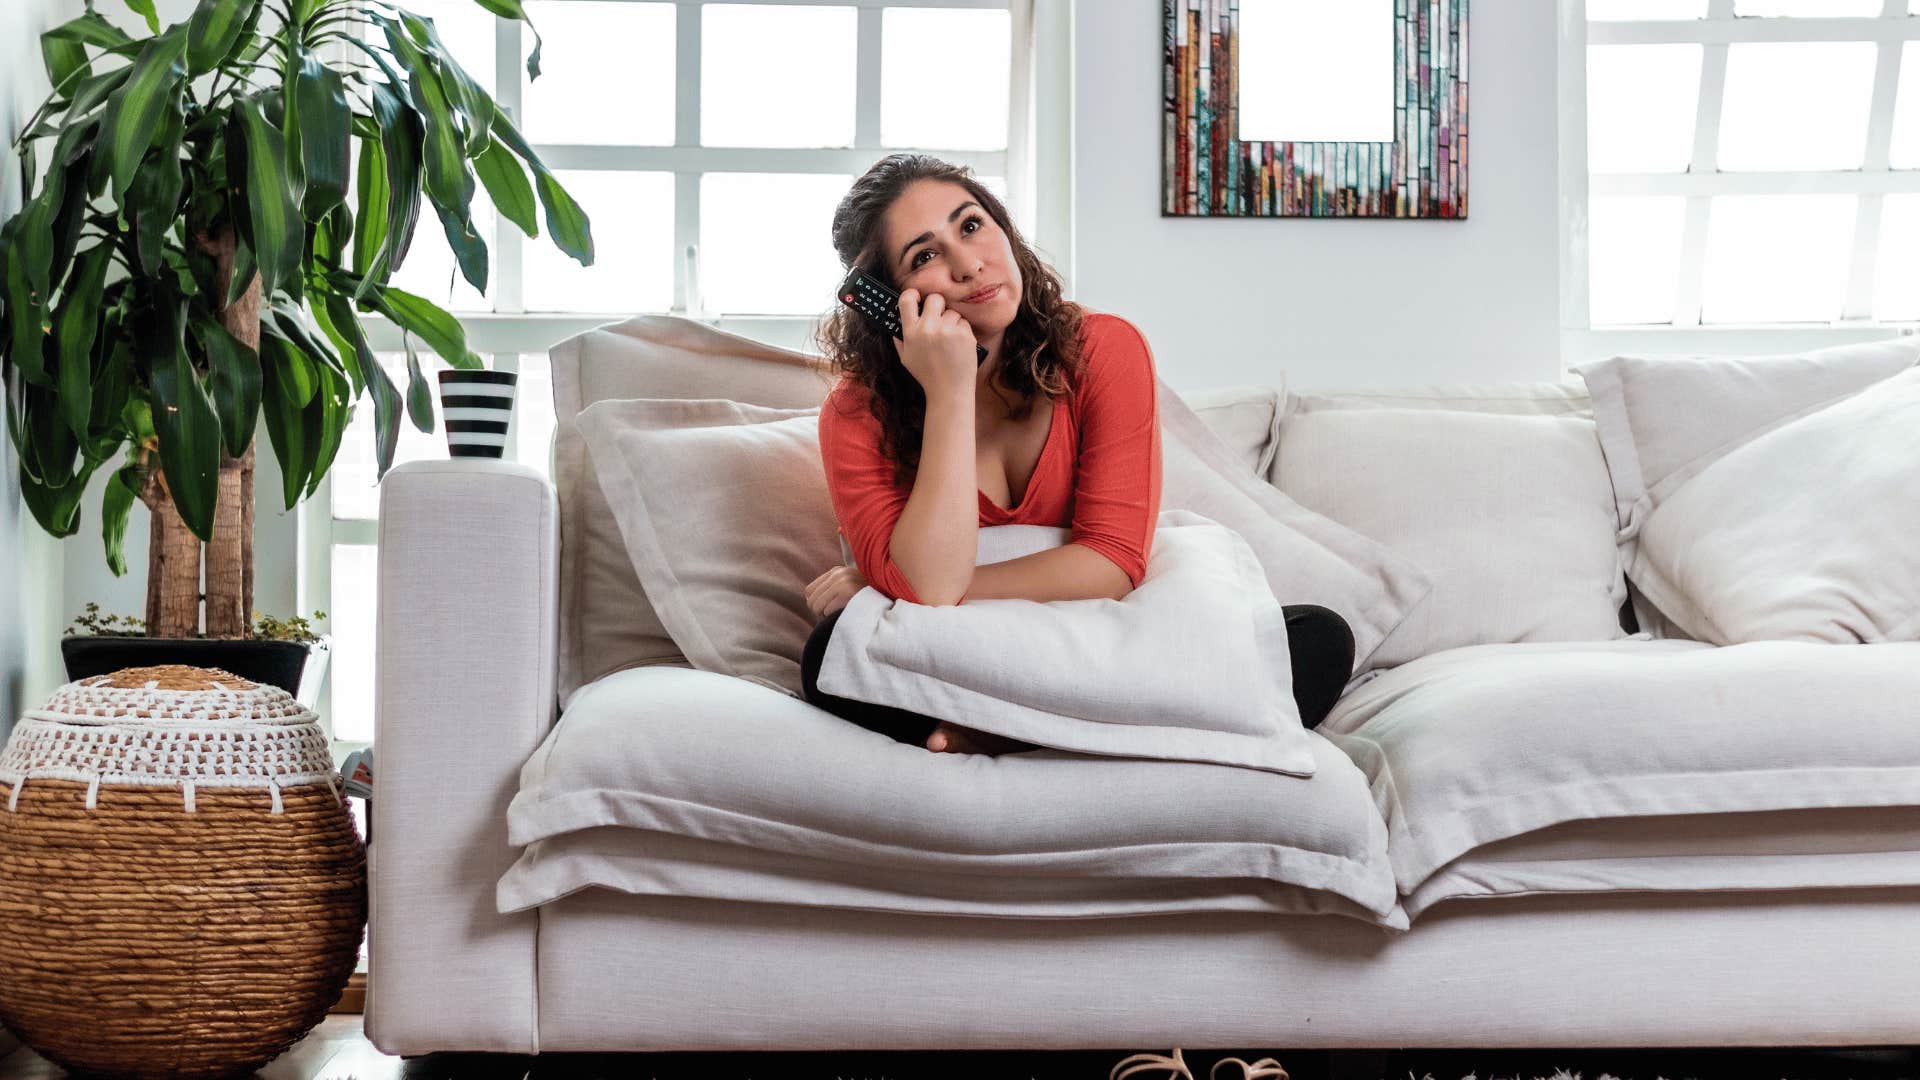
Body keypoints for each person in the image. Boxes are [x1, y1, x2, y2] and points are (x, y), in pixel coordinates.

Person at [802, 153, 1354, 756]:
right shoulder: (855, 415)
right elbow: (931, 585)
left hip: (1099, 626)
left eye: (971, 225)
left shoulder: (1103, 349)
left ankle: (995, 728)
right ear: (887, 297)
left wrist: (887, 589)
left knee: (1316, 640)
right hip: (976, 646)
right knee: (829, 655)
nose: (969, 263)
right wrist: (950, 389)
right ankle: (1094, 726)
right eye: (925, 256)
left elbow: (1111, 563)